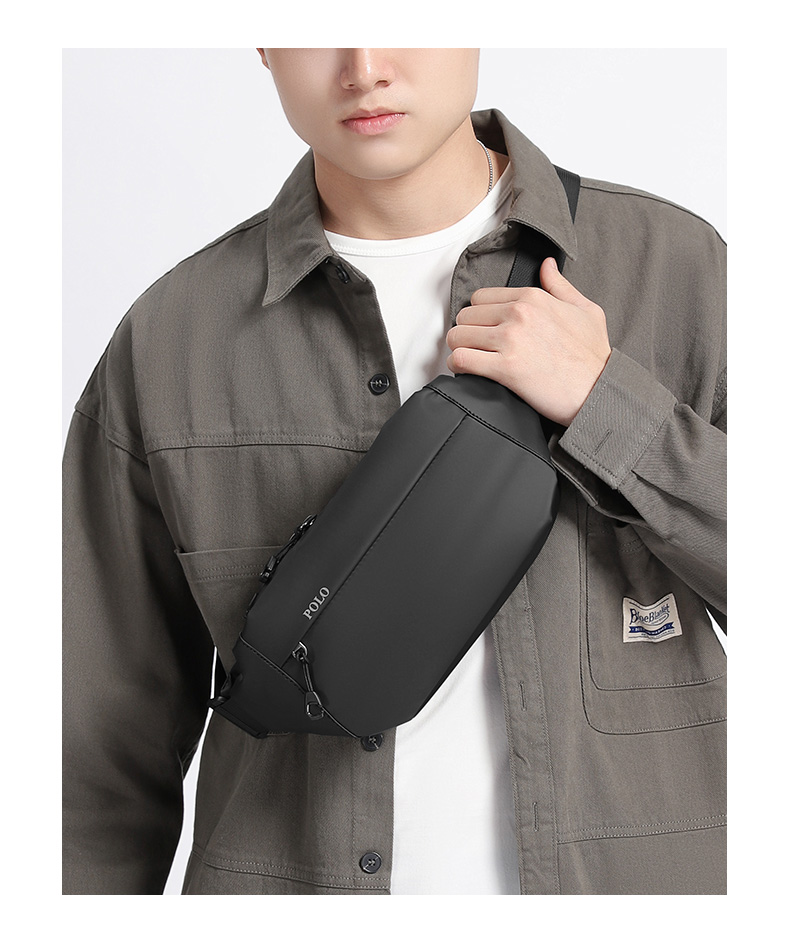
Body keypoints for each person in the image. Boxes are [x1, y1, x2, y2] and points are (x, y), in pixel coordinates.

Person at [62, 48, 726, 895]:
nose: (364, 65)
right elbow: (88, 761)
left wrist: (609, 406)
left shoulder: (677, 269)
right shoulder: (173, 337)